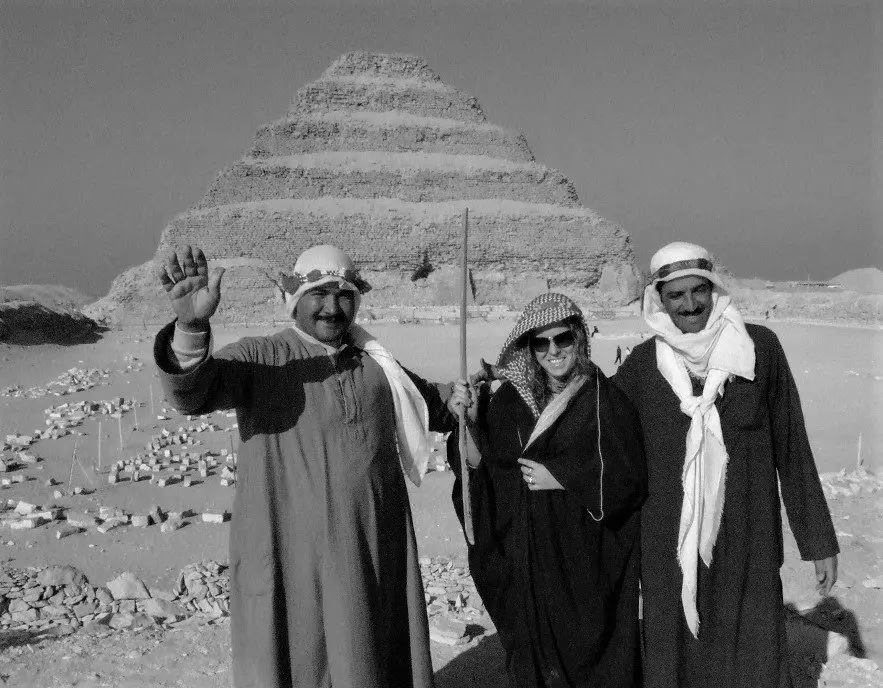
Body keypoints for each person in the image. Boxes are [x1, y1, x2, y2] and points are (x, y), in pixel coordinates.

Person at [153, 244, 459, 688]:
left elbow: (434, 402)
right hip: (294, 561)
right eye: (319, 294)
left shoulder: (378, 365)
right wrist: (191, 327)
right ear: (294, 299)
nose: (333, 309)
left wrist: (474, 396)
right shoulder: (262, 358)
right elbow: (193, 394)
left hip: (370, 552)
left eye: (344, 294)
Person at [612, 242, 839, 688]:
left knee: (749, 646)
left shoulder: (760, 351)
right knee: (677, 650)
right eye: (676, 296)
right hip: (667, 541)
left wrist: (818, 540)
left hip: (748, 535)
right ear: (658, 299)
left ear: (714, 289)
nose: (690, 305)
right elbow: (596, 433)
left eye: (699, 291)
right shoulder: (642, 367)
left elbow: (792, 447)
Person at [449, 292, 647, 688]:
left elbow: (629, 476)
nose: (553, 351)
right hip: (524, 555)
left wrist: (562, 477)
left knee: (588, 656)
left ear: (579, 338)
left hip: (582, 559)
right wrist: (467, 420)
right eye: (541, 342)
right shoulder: (509, 401)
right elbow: (480, 468)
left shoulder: (603, 401)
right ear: (529, 347)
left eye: (563, 339)